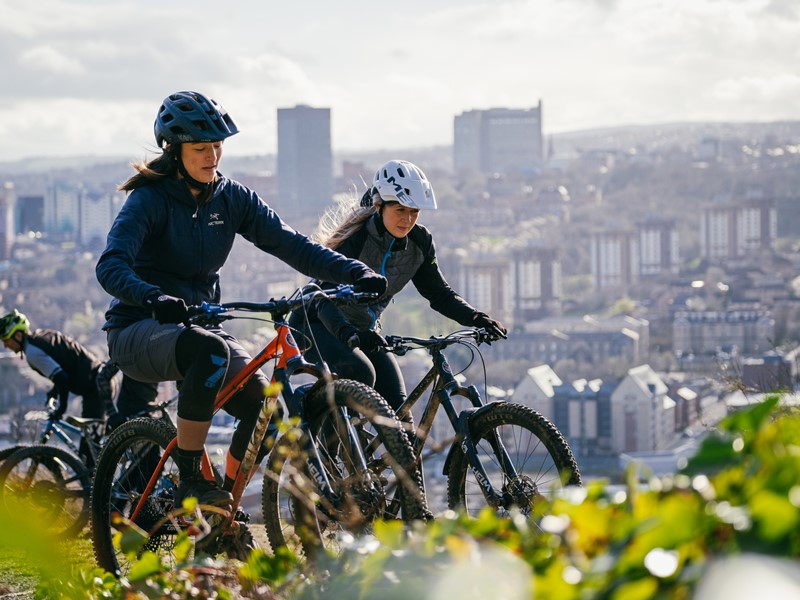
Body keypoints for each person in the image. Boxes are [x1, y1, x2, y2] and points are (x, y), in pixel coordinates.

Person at [95, 90, 386, 509]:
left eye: (218, 146)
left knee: (265, 411)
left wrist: (354, 270)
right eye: (201, 148)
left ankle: (222, 507)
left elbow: (293, 245)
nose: (213, 156)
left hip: (197, 330)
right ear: (174, 150)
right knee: (210, 350)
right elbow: (111, 265)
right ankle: (192, 481)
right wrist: (152, 296)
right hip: (139, 328)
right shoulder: (150, 199)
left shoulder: (232, 198)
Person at [289, 159, 507, 415]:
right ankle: (313, 416)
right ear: (379, 205)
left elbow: (438, 294)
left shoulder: (419, 242)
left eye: (414, 211)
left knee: (399, 412)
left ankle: (390, 454)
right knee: (361, 373)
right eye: (400, 210)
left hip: (362, 331)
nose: (408, 219)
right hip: (315, 325)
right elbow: (321, 298)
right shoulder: (355, 241)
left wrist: (475, 317)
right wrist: (349, 333)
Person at [0, 308, 118, 422]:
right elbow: (67, 365)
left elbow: (61, 377)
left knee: (89, 442)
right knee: (105, 438)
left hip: (95, 389)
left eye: (6, 340)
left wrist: (61, 409)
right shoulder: (43, 335)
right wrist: (54, 391)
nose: (5, 345)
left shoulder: (31, 352)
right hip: (103, 379)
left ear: (18, 335)